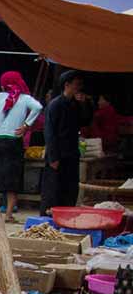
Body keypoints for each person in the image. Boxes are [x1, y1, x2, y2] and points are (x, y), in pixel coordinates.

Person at [0, 70, 43, 221]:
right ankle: (9, 214)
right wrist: (26, 125)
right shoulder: (25, 99)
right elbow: (38, 107)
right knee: (12, 180)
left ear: (3, 85)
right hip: (13, 141)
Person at [41, 70, 86, 214]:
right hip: (58, 153)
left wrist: (84, 104)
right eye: (76, 85)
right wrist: (53, 156)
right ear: (67, 85)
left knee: (70, 188)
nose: (78, 88)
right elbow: (49, 132)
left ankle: (67, 215)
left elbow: (85, 121)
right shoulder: (55, 104)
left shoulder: (75, 104)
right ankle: (48, 217)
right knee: (53, 189)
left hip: (71, 152)